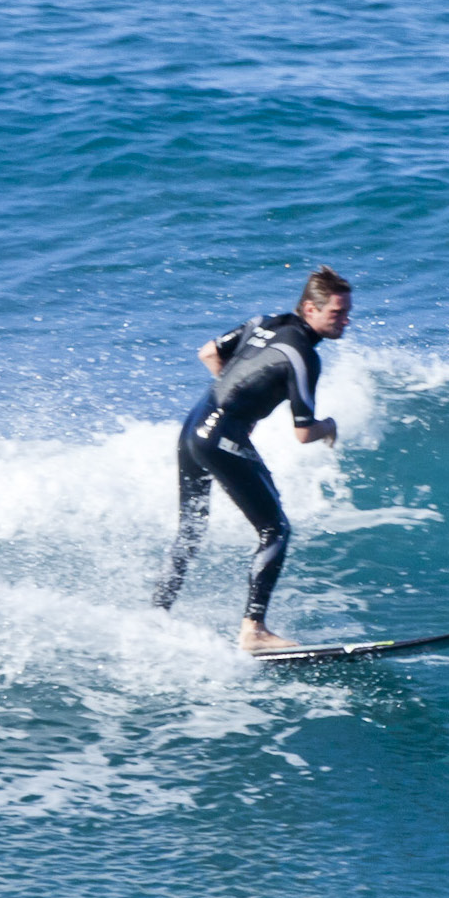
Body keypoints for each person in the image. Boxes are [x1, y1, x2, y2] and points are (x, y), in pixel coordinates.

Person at [153, 267, 353, 651]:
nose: (346, 320)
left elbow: (209, 352)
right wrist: (330, 425)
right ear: (310, 309)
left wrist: (235, 403)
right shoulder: (304, 356)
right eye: (337, 314)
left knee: (191, 530)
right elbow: (304, 432)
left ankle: (156, 613)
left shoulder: (265, 321)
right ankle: (253, 630)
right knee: (274, 530)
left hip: (193, 428)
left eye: (346, 312)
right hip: (220, 440)